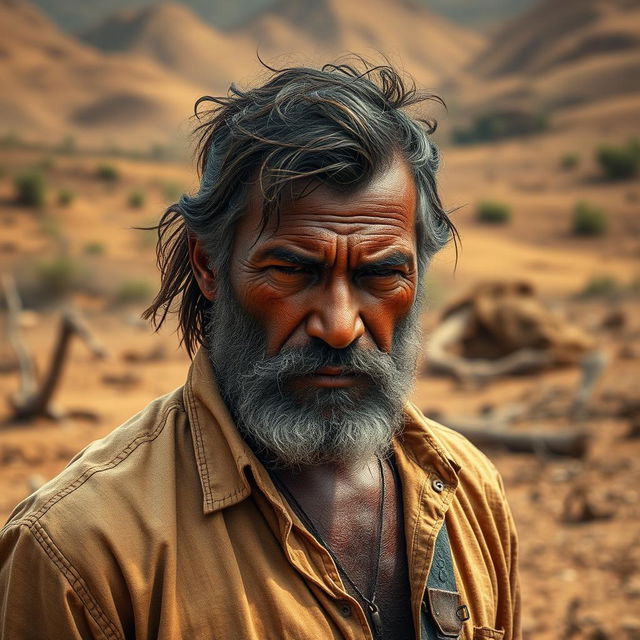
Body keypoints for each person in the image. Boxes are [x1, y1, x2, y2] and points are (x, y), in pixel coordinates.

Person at [0, 62, 520, 639]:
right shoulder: (82, 552)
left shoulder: (471, 492)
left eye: (381, 275)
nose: (341, 326)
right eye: (293, 271)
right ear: (208, 265)